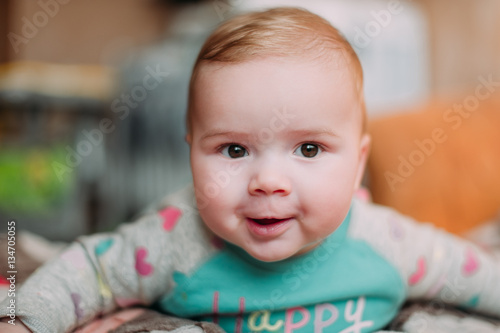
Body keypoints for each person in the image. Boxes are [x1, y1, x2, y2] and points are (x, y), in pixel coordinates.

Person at [1, 7, 500, 333]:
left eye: (308, 149)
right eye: (234, 151)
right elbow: (91, 269)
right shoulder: (174, 241)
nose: (268, 182)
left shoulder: (385, 240)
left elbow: (468, 271)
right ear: (191, 153)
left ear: (358, 165)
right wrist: (25, 321)